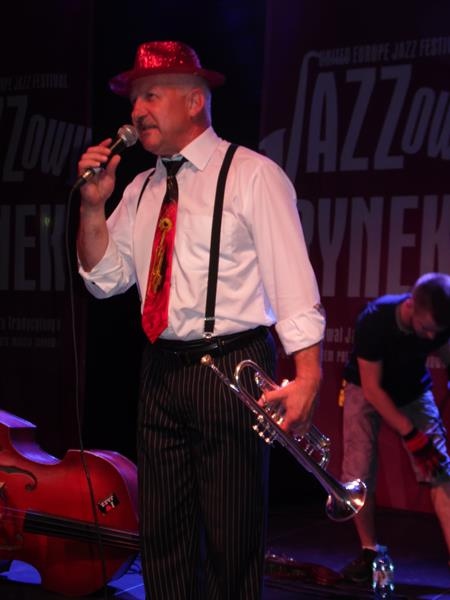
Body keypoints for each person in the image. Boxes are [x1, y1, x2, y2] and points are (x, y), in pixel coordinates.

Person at [76, 40, 325, 599]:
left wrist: (308, 374)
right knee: (163, 536)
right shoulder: (141, 188)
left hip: (232, 364)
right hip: (161, 369)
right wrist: (92, 206)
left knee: (231, 538)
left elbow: (292, 278)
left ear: (194, 102)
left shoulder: (251, 175)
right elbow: (102, 279)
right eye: (134, 98)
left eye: (151, 95)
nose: (137, 110)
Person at [340, 272, 450, 583]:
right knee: (359, 473)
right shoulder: (375, 320)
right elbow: (373, 390)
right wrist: (412, 434)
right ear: (410, 305)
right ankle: (369, 552)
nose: (429, 337)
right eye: (425, 329)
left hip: (412, 390)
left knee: (439, 468)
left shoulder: (439, 326)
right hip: (366, 388)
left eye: (436, 332)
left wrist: (425, 439)